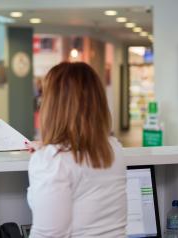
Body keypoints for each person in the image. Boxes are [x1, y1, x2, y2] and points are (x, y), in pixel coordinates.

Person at [26, 62, 127, 237]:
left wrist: (47, 155)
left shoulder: (53, 162)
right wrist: (50, 149)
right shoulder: (114, 149)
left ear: (53, 106)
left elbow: (48, 235)